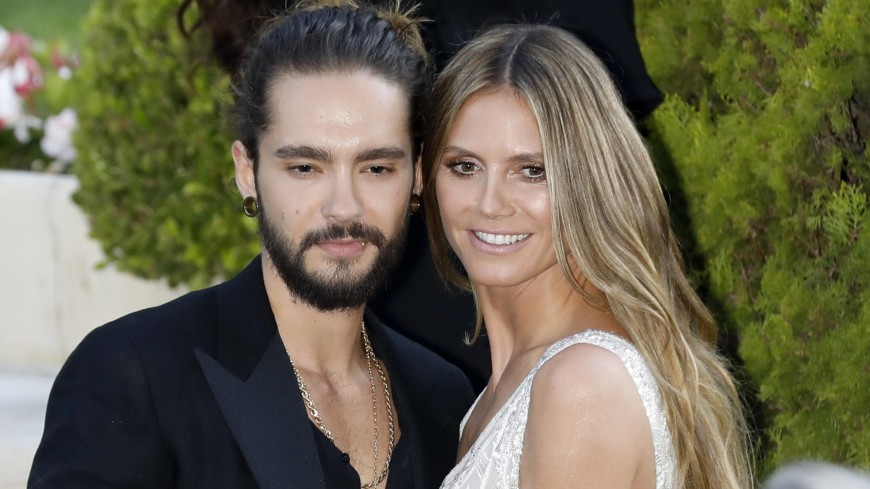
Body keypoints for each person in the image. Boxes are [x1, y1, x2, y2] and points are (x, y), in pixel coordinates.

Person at [28, 2, 474, 488]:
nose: (344, 208)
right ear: (247, 172)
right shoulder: (135, 378)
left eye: (377, 168)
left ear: (416, 175)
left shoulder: (442, 397)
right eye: (305, 168)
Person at [177, 0, 664, 392]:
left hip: (480, 298)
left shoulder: (580, 380)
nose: (341, 202)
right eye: (305, 167)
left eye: (531, 170)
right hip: (409, 303)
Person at [422, 24, 752, 489]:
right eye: (464, 166)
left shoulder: (581, 384)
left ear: (588, 181)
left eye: (531, 171)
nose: (490, 203)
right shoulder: (514, 386)